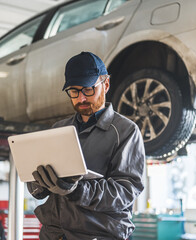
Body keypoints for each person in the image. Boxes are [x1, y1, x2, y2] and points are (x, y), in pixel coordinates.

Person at [27, 51, 145, 240]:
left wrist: (76, 190)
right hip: (54, 234)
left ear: (105, 84)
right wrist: (41, 182)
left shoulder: (125, 131)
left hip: (99, 235)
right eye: (74, 91)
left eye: (88, 89)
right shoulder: (59, 129)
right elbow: (39, 191)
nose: (81, 98)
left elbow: (125, 191)